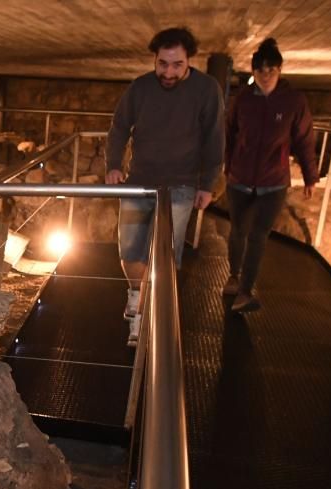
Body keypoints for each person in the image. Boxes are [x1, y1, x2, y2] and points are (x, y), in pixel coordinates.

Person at [107, 26, 224, 346]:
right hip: (140, 181)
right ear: (154, 59)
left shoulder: (207, 89)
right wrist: (114, 165)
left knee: (167, 255)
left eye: (177, 65)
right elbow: (119, 127)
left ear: (189, 61)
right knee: (130, 249)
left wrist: (207, 184)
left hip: (182, 184)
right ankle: (135, 293)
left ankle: (143, 319)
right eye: (162, 64)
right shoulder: (141, 88)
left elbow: (215, 138)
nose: (169, 72)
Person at [224, 37, 318, 313]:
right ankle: (233, 274)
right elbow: (229, 134)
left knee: (259, 235)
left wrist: (310, 175)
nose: (266, 76)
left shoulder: (293, 101)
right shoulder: (242, 100)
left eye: (271, 70)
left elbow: (304, 139)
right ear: (253, 72)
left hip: (273, 181)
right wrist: (228, 167)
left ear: (279, 71)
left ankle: (245, 291)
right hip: (239, 179)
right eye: (260, 70)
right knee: (238, 230)